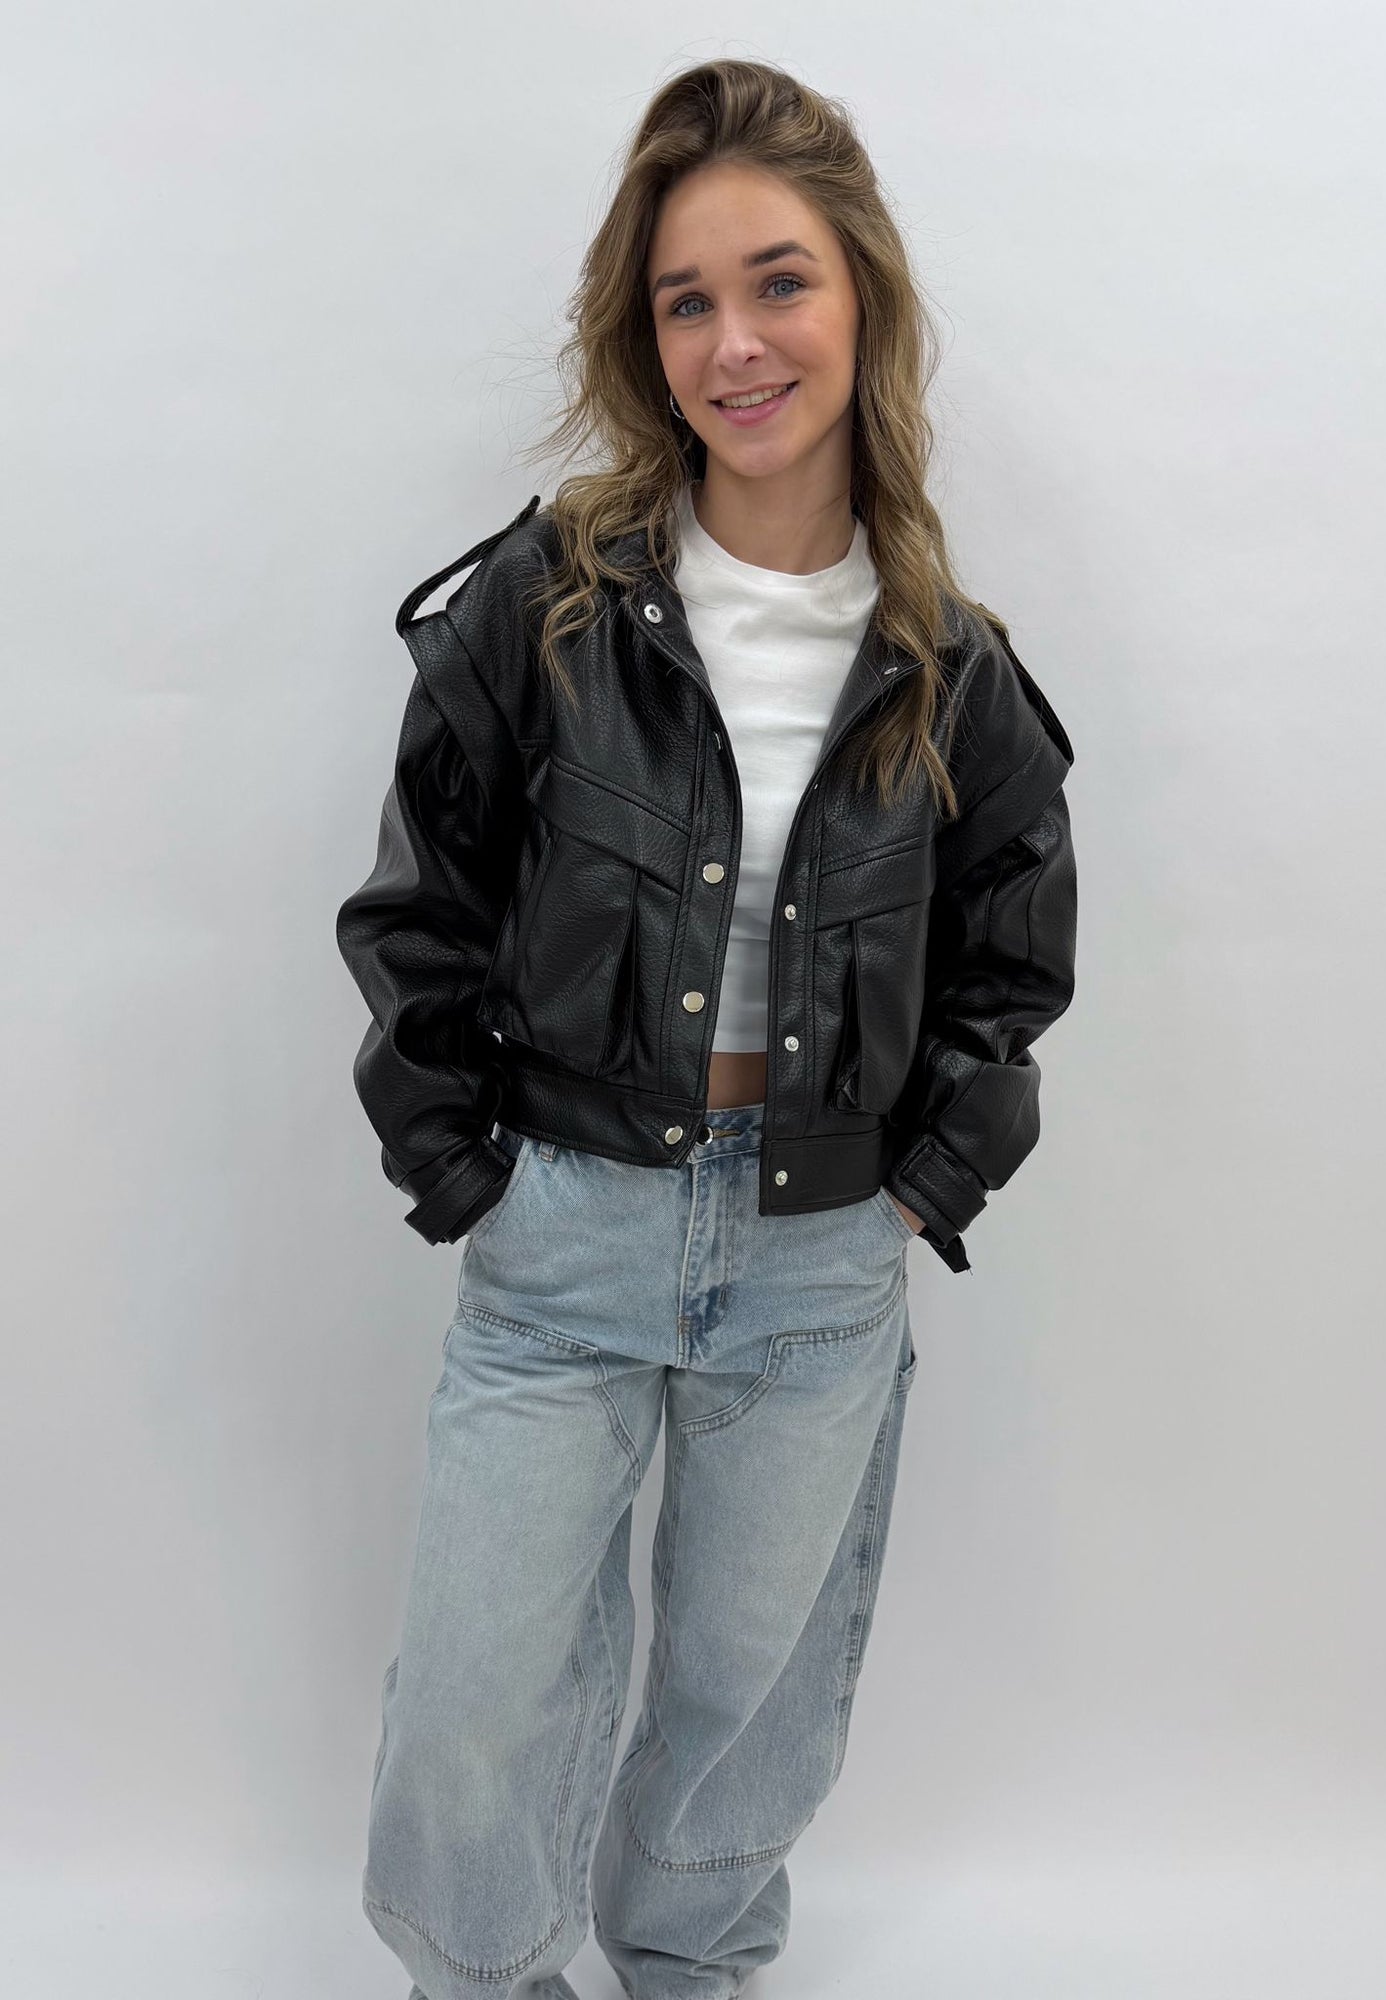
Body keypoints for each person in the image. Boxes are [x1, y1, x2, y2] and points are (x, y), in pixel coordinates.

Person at [335, 57, 1079, 2000]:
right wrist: (466, 1168)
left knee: (751, 1711)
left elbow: (1012, 961)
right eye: (687, 300)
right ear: (644, 337)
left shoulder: (947, 661)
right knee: (476, 1706)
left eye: (780, 282)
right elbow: (420, 906)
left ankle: (691, 1972)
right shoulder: (547, 606)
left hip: (823, 1252)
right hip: (564, 1227)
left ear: (863, 298)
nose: (736, 342)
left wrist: (923, 1183)